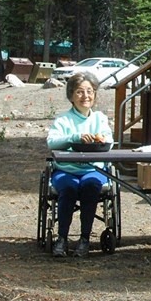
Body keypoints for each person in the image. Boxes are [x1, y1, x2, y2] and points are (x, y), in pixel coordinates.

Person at [46, 72, 113, 258]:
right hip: (67, 169)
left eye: (90, 91)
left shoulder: (100, 118)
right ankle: (62, 238)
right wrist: (75, 137)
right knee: (69, 187)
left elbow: (109, 141)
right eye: (80, 92)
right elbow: (52, 143)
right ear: (71, 96)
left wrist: (99, 141)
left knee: (90, 185)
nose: (86, 96)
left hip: (93, 169)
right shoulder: (63, 120)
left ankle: (84, 239)